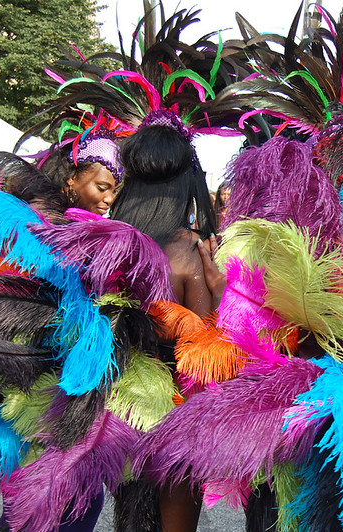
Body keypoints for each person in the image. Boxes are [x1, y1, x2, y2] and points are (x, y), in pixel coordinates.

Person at [111, 116, 225, 532]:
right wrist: (219, 290)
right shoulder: (187, 250)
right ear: (187, 183)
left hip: (114, 404)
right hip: (176, 409)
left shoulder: (105, 240)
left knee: (130, 515)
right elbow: (204, 351)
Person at [38, 128, 124, 216]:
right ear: (71, 176)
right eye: (102, 188)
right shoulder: (37, 218)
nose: (110, 200)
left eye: (114, 191)